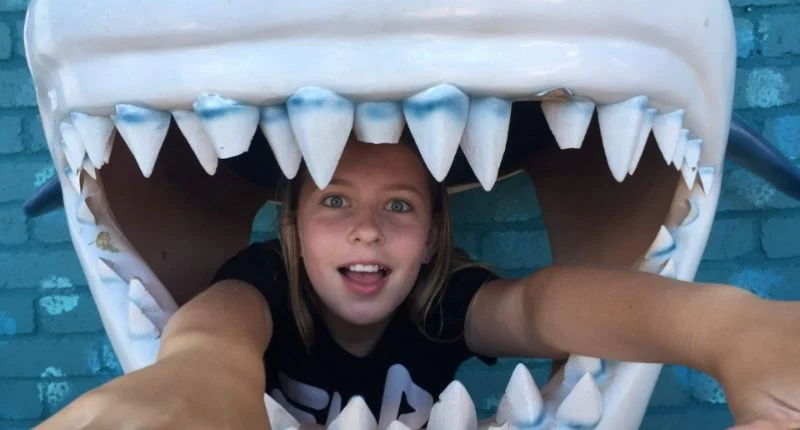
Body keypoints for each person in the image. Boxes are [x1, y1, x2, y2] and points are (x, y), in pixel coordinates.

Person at [37, 133, 800, 430]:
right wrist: (183, 394)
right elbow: (212, 342)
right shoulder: (261, 284)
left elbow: (537, 307)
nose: (368, 229)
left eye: (399, 206)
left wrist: (726, 326)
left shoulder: (444, 298)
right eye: (336, 201)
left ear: (433, 234)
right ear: (294, 227)